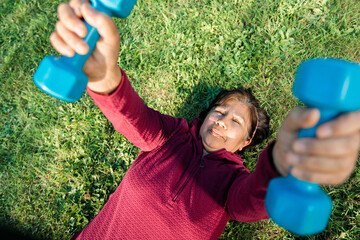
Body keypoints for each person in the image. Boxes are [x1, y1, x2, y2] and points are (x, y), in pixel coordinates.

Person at [50, 1, 360, 239]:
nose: (224, 121)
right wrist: (105, 77)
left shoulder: (232, 187)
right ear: (206, 115)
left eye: (237, 122)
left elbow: (253, 199)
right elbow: (133, 119)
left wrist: (282, 162)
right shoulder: (170, 137)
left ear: (246, 142)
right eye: (221, 111)